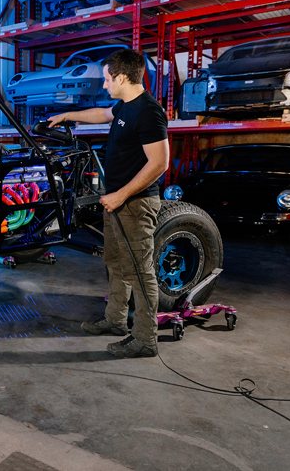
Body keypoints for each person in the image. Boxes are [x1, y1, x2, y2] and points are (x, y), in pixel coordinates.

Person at [47, 48, 169, 358]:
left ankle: (145, 339)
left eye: (106, 79)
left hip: (136, 204)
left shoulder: (148, 111)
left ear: (123, 77)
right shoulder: (125, 107)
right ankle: (115, 321)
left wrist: (122, 194)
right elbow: (101, 114)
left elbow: (159, 163)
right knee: (115, 264)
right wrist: (66, 115)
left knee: (141, 272)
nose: (104, 85)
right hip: (116, 202)